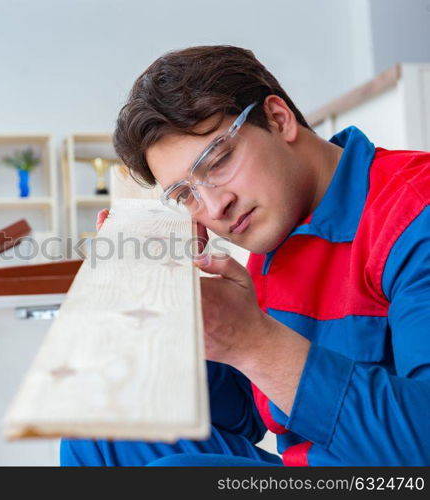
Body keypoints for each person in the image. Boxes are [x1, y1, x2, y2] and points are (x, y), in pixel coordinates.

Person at [60, 45, 430, 466]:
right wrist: (172, 307)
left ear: (278, 118)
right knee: (98, 429)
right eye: (185, 195)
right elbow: (243, 413)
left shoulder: (415, 212)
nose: (215, 207)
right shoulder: (272, 230)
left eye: (217, 162)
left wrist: (252, 341)